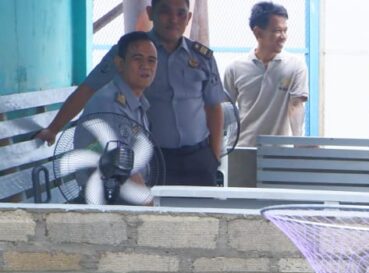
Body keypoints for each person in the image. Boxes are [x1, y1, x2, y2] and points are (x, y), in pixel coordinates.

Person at [38, 0, 228, 187]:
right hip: (155, 159)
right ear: (150, 12)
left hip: (199, 158)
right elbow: (89, 88)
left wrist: (214, 155)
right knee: (156, 216)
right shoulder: (129, 51)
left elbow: (213, 107)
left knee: (204, 214)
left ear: (189, 18)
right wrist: (54, 129)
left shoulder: (203, 58)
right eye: (165, 11)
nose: (173, 19)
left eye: (180, 13)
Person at [223, 2, 308, 148]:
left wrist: (298, 143)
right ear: (258, 33)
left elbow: (296, 105)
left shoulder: (295, 66)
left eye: (285, 30)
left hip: (278, 152)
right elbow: (226, 110)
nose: (283, 37)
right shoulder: (235, 68)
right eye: (277, 31)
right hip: (243, 148)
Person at [80, 31, 157, 131]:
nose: (146, 66)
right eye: (137, 59)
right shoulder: (107, 105)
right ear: (120, 63)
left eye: (151, 60)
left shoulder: (139, 102)